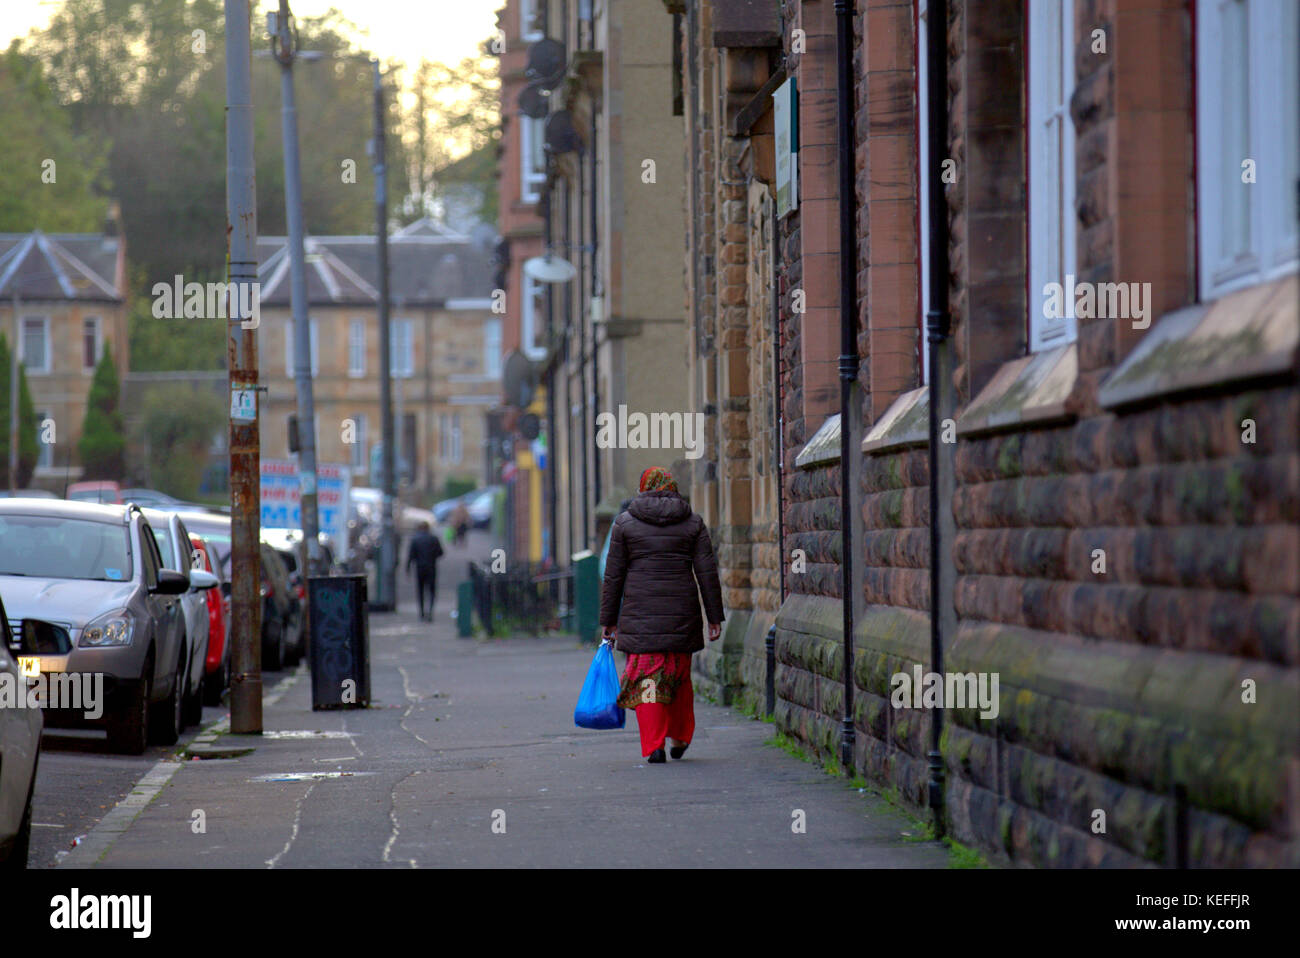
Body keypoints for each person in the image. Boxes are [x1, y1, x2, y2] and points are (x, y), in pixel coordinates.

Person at [599, 467, 724, 764]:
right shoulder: (692, 523)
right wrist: (715, 617)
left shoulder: (625, 524)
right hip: (681, 615)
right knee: (678, 677)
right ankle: (679, 738)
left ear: (642, 489)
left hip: (640, 617)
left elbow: (613, 576)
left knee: (648, 680)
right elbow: (707, 573)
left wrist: (609, 621)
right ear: (672, 488)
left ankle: (654, 744)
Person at [406, 520, 444, 621]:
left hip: (419, 568)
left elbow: (411, 555)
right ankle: (430, 612)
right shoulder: (434, 539)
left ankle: (421, 612)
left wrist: (408, 568)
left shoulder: (415, 540)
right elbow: (441, 553)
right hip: (431, 567)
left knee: (420, 590)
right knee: (431, 590)